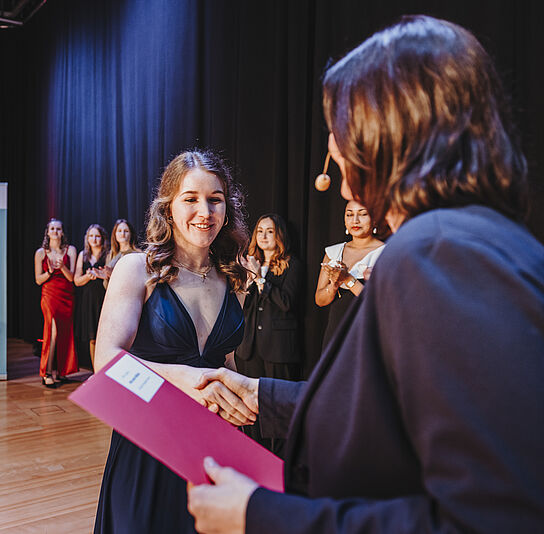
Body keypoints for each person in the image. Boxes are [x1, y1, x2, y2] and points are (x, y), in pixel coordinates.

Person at [186, 15, 544, 533]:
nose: (338, 173)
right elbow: (383, 416)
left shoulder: (439, 252)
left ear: (386, 137)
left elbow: (492, 519)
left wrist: (260, 514)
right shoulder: (474, 238)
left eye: (342, 139)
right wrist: (262, 396)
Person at [93, 150, 256, 533]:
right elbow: (106, 360)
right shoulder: (137, 269)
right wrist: (185, 378)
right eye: (191, 199)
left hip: (211, 443)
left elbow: (225, 362)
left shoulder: (235, 278)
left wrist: (243, 403)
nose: (205, 211)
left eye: (215, 199)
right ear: (168, 207)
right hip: (148, 442)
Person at [236, 214, 303, 454]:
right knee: (250, 404)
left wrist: (261, 279)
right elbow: (241, 305)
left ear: (279, 235)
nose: (263, 236)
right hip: (249, 346)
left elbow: (286, 303)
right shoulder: (248, 264)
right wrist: (249, 280)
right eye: (260, 231)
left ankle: (280, 457)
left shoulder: (292, 265)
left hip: (278, 347)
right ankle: (255, 452)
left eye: (270, 231)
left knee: (276, 405)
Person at [314, 200, 384, 348]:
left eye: (362, 214)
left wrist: (348, 279)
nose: (355, 220)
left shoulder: (385, 252)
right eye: (349, 215)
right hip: (337, 328)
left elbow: (380, 303)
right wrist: (333, 286)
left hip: (367, 329)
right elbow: (320, 300)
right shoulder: (334, 252)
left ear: (375, 218)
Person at [34, 218, 78, 387]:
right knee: (52, 332)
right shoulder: (40, 253)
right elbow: (38, 280)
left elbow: (72, 278)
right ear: (48, 232)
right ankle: (46, 372)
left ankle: (61, 371)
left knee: (64, 333)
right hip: (49, 295)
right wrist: (50, 271)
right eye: (52, 229)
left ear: (62, 232)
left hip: (66, 295)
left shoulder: (70, 250)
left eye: (58, 229)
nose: (55, 231)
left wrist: (62, 267)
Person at [74, 224, 110, 369]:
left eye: (97, 236)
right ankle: (96, 372)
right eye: (91, 236)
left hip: (104, 298)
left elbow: (112, 277)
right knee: (92, 338)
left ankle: (106, 369)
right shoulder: (83, 255)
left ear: (102, 238)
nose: (94, 239)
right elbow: (77, 281)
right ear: (87, 238)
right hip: (88, 301)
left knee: (106, 338)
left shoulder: (108, 254)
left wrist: (101, 275)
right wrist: (88, 276)